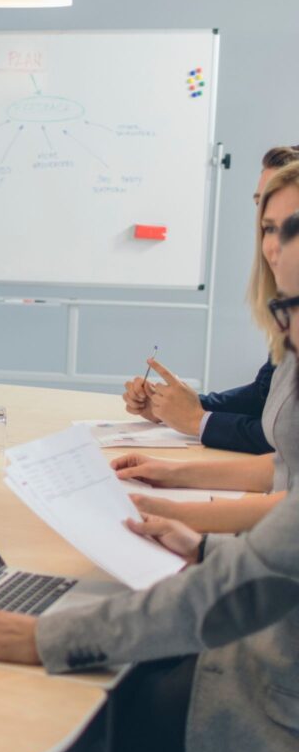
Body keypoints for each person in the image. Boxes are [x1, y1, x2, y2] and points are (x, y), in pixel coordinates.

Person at [0, 211, 299, 752]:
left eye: (288, 309)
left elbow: (223, 597)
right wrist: (203, 547)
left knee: (77, 714)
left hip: (273, 730)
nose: (284, 335)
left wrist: (47, 637)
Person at [116, 161, 299, 533]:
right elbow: (282, 460)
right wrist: (171, 464)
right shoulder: (287, 322)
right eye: (266, 225)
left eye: (291, 227)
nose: (274, 245)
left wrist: (196, 420)